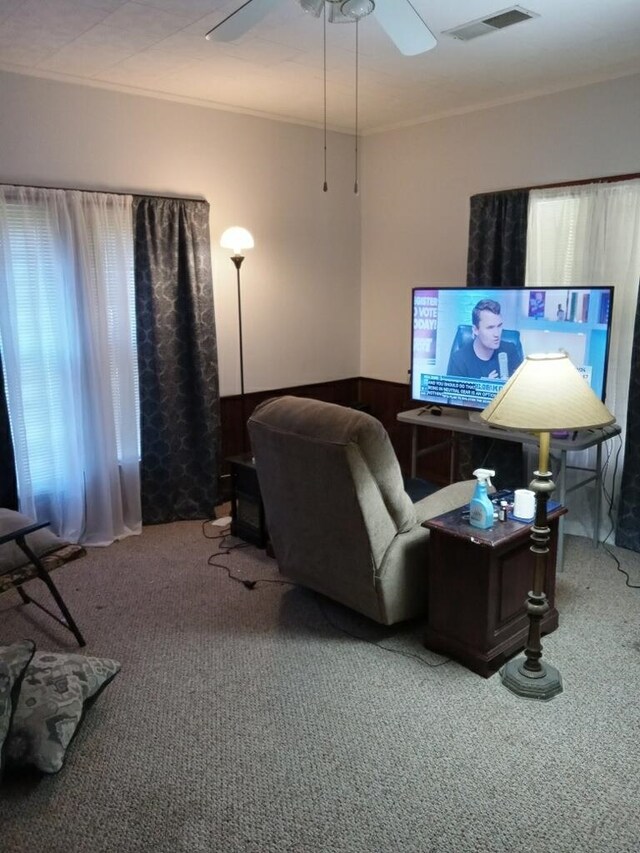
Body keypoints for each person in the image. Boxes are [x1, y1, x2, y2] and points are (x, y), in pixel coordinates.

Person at [447, 298, 523, 379]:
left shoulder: (510, 351)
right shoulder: (459, 360)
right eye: (490, 328)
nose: (497, 334)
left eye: (499, 326)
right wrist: (484, 386)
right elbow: (454, 391)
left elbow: (523, 387)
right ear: (476, 330)